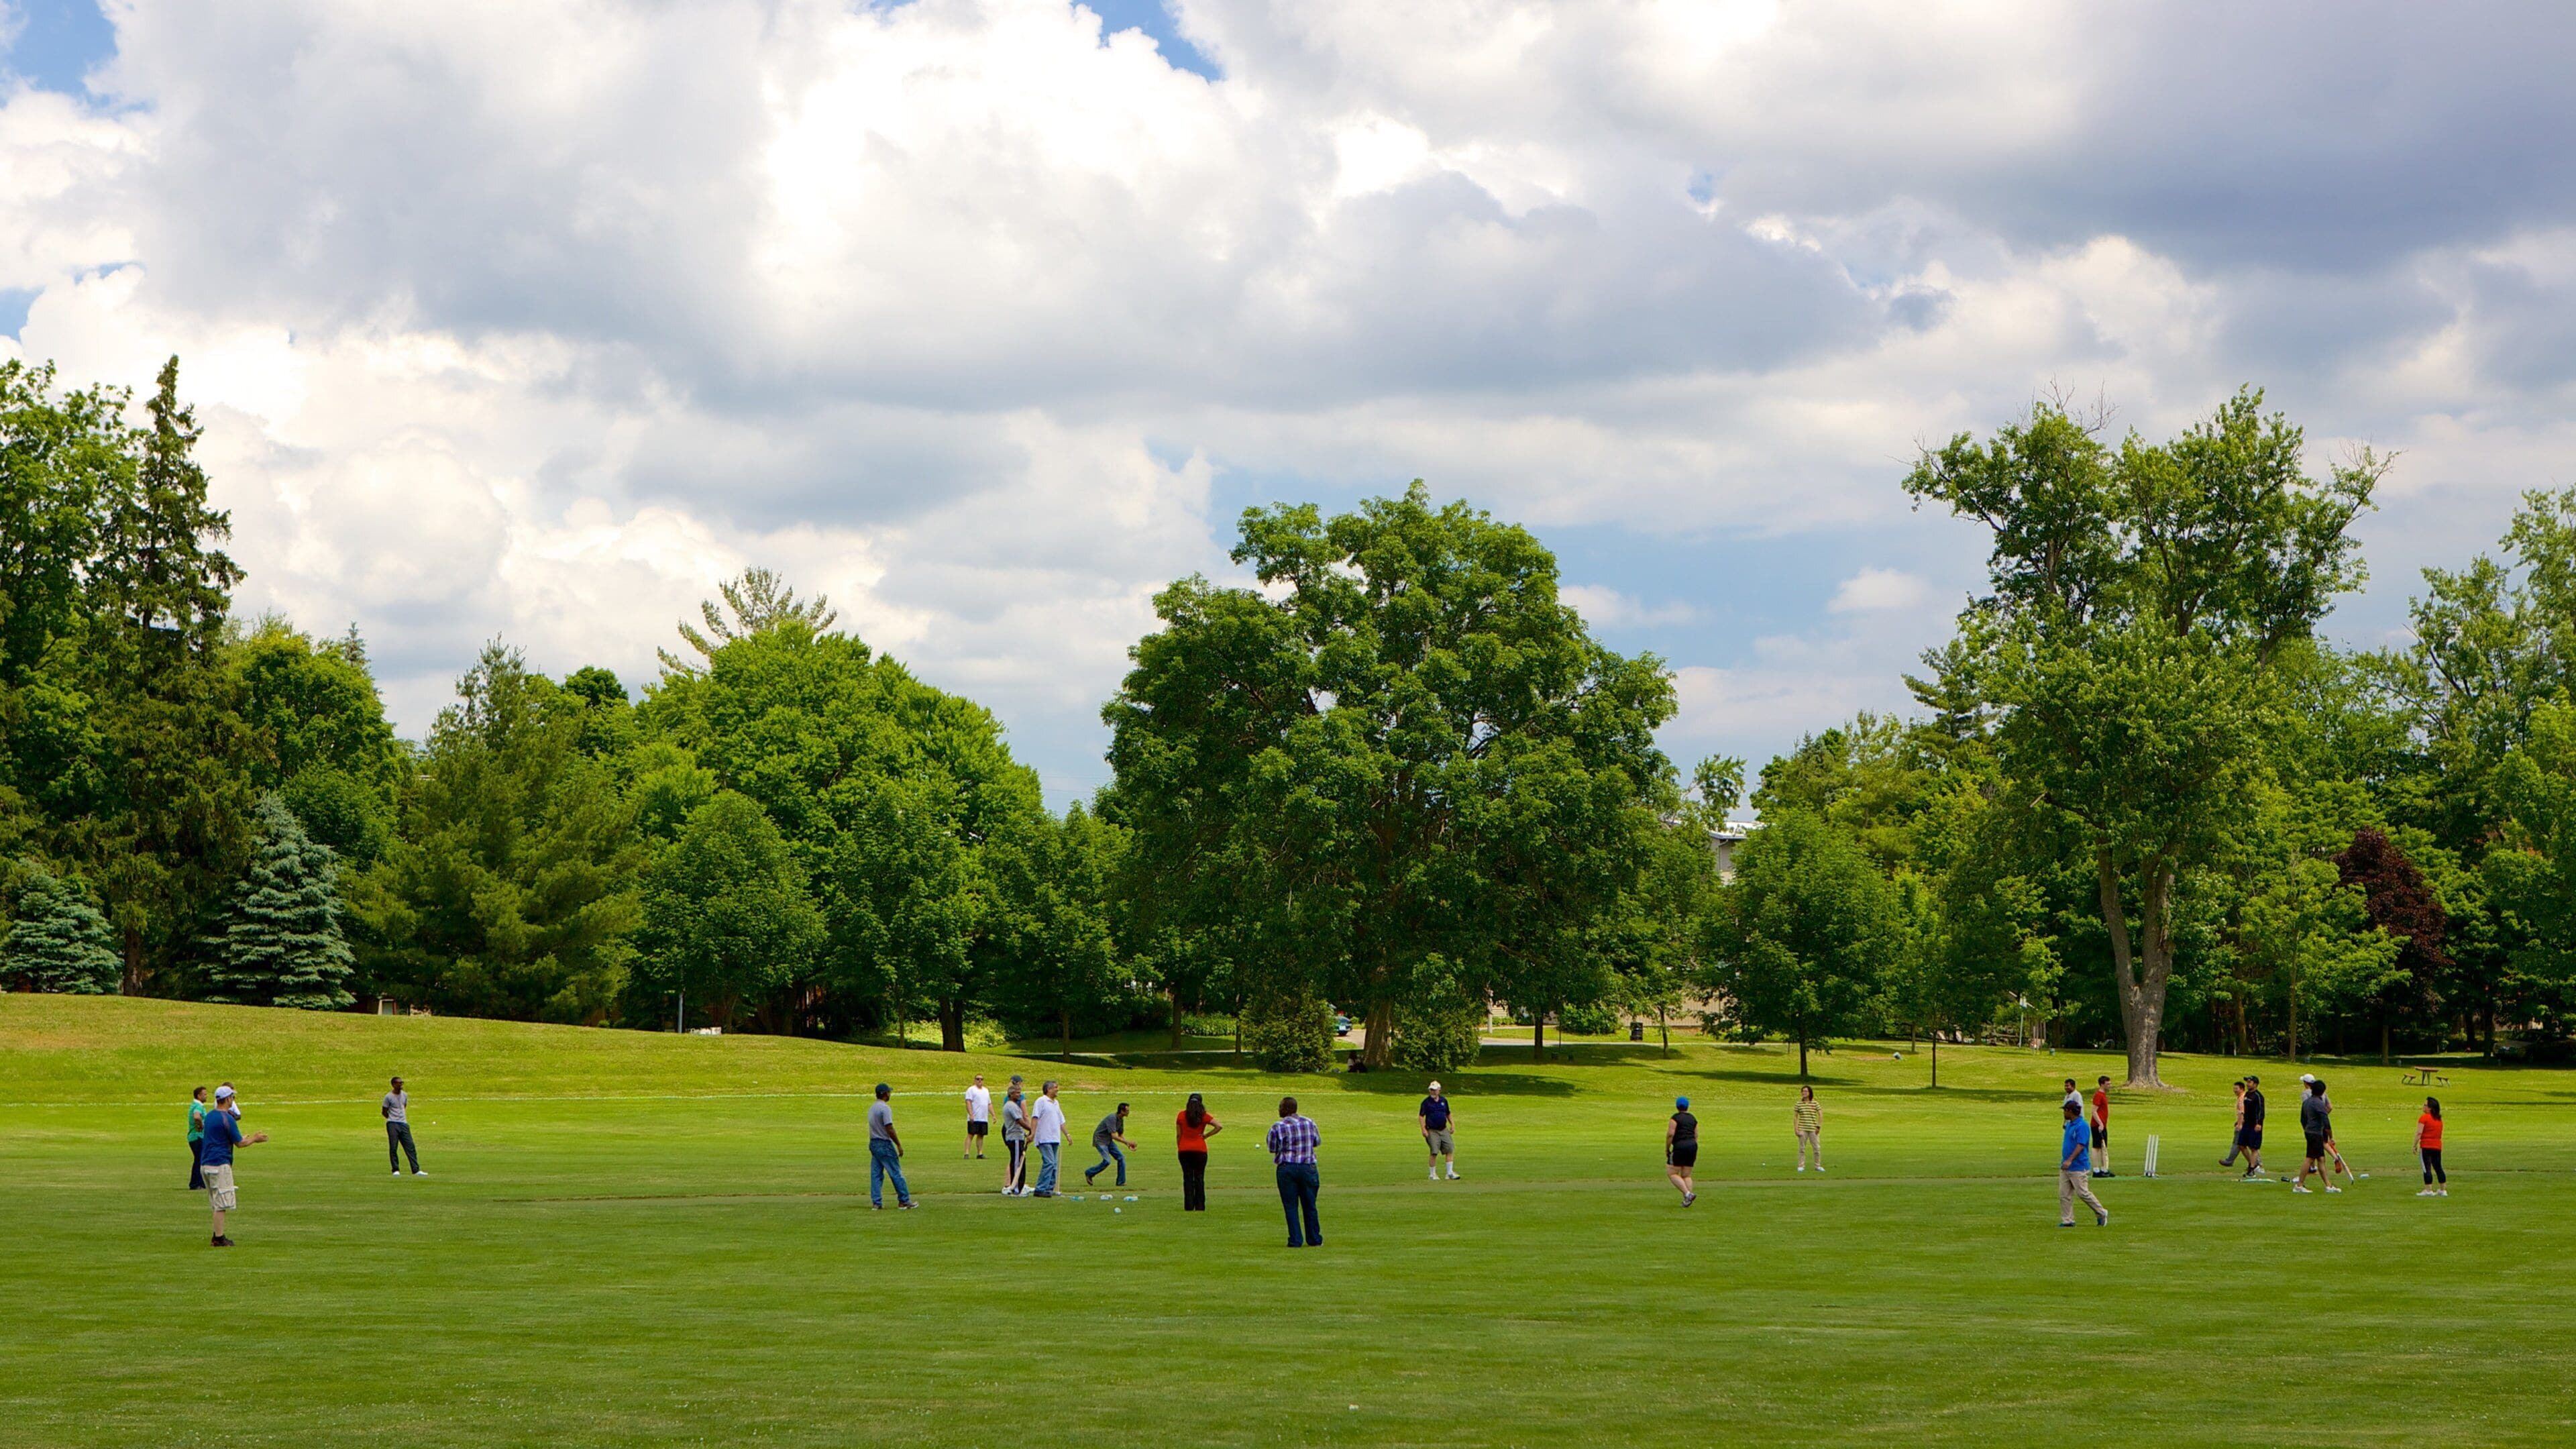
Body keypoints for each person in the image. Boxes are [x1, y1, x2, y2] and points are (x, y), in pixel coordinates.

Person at [198, 1084, 268, 1246]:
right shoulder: (227, 1118)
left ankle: (217, 1234)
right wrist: (255, 1139)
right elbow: (240, 1143)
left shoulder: (210, 1116)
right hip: (219, 1164)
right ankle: (219, 1238)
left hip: (206, 1164)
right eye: (232, 1097)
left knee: (216, 1202)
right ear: (227, 1099)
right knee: (222, 1204)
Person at [1267, 1096, 1322, 1247]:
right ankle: (1314, 1239)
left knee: (1291, 1206)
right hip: (1308, 1166)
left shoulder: (1278, 1127)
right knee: (1310, 1204)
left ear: (1285, 1109)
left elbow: (1272, 1148)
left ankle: (1296, 1240)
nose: (1278, 1110)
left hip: (1287, 1167)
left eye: (1280, 1107)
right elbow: (1317, 1142)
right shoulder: (1309, 1122)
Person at [2059, 1099, 2108, 1228]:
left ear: (2070, 1111)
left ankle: (2101, 1212)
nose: (2064, 1113)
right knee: (2064, 1195)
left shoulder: (2082, 1126)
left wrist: (2070, 1160)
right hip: (2065, 1166)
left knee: (2083, 1193)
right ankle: (2068, 1220)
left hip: (2078, 1166)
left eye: (2065, 1110)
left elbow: (2081, 1145)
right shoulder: (2070, 1124)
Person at [867, 1083, 914, 1210]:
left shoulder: (872, 1107)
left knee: (876, 1174)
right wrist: (898, 1144)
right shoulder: (885, 1108)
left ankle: (876, 1203)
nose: (890, 1094)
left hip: (874, 1143)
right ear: (885, 1094)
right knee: (896, 1172)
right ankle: (904, 1200)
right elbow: (889, 1127)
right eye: (889, 1092)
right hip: (884, 1143)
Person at [2292, 1075, 2339, 1194]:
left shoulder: (2307, 1102)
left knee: (2321, 1159)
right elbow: (2326, 1121)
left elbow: (2302, 1119)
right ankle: (2299, 1185)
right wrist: (2331, 1137)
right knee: (2310, 1159)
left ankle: (2328, 1185)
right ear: (2323, 1091)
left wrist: (2306, 1129)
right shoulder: (2318, 1103)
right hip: (2315, 1133)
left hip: (2310, 1132)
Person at [1175, 1092, 1222, 1211]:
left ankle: (1189, 1206)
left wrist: (1180, 1147)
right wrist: (1206, 1135)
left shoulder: (1181, 1115)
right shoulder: (1203, 1116)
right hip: (1200, 1150)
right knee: (1199, 1178)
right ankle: (1200, 1206)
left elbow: (1179, 1135)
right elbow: (1219, 1126)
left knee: (1188, 1178)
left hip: (1184, 1150)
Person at [1085, 1102, 1136, 1187]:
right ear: (1122, 1111)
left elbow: (1120, 1135)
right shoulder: (1112, 1118)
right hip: (1100, 1140)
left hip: (1108, 1141)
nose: (1129, 1112)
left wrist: (1128, 1145)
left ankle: (1121, 1182)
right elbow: (1114, 1136)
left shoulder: (1121, 1120)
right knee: (1107, 1161)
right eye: (1127, 1110)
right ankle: (1089, 1173)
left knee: (1121, 1158)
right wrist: (1128, 1142)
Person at [1030, 1080, 1067, 1197]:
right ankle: (1040, 1188)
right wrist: (1032, 1133)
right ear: (1049, 1089)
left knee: (1054, 1165)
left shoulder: (1056, 1103)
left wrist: (1067, 1135)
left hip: (1055, 1138)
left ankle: (1049, 1189)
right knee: (1049, 1162)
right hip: (1044, 1138)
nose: (1057, 1089)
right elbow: (1035, 1117)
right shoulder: (1041, 1101)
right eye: (1055, 1087)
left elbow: (1061, 1121)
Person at [383, 1075, 424, 1177]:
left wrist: (401, 1118)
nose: (401, 1085)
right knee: (394, 1147)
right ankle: (395, 1169)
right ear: (393, 1084)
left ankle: (416, 1169)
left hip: (404, 1124)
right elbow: (384, 1111)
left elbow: (404, 1107)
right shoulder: (388, 1097)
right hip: (392, 1123)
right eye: (399, 1083)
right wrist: (392, 1118)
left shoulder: (405, 1095)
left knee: (410, 1146)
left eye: (402, 1083)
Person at [1419, 1081, 1458, 1181]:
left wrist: (1452, 1124)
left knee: (1449, 1149)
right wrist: (1423, 1129)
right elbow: (1421, 1116)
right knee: (1434, 1152)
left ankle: (1449, 1173)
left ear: (1439, 1090)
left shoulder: (1443, 1101)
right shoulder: (1426, 1102)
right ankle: (1432, 1174)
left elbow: (1448, 1113)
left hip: (1443, 1129)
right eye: (1431, 1090)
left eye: (1434, 1090)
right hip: (1432, 1130)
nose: (1433, 1092)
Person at [1000, 1080, 1031, 1195]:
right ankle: (1016, 1188)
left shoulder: (1011, 1105)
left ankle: (1019, 1187)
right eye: (1017, 1093)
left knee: (1018, 1161)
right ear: (1011, 1094)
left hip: (1017, 1137)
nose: (1020, 1095)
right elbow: (1020, 1121)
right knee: (1018, 1163)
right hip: (1015, 1137)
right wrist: (1031, 1129)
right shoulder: (1011, 1106)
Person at [1666, 1096, 1697, 1206]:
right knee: (1686, 1175)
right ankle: (1688, 1200)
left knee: (1672, 1173)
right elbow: (1696, 1135)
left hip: (1680, 1146)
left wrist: (1667, 1148)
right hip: (1692, 1146)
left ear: (1677, 1106)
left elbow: (1670, 1134)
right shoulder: (1693, 1119)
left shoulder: (1675, 1118)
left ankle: (1687, 1194)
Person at [2416, 1096, 2447, 1197]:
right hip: (2437, 1146)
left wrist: (2415, 1144)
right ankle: (2443, 1189)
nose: (2423, 1107)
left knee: (2427, 1168)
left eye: (2425, 1105)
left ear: (2430, 1108)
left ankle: (2428, 1190)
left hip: (2426, 1146)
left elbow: (2419, 1133)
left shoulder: (2424, 1118)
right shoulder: (2439, 1119)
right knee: (2438, 1167)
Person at [2238, 1075, 2267, 1179]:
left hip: (2255, 1125)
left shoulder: (2258, 1096)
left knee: (2254, 1147)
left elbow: (2261, 1111)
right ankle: (2253, 1165)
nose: (2248, 1084)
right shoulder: (2247, 1095)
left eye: (2250, 1082)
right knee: (2241, 1145)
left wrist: (2259, 1123)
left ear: (2255, 1084)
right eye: (2247, 1082)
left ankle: (2251, 1169)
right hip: (2247, 1124)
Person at [2219, 1079, 2247, 1169]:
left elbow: (2242, 1112)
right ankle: (2257, 1163)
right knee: (2248, 1145)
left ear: (2242, 1089)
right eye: (2234, 1089)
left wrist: (2239, 1124)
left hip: (2242, 1126)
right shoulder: (2243, 1097)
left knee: (2237, 1143)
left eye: (2237, 1089)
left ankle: (2229, 1161)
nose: (2235, 1091)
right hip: (2245, 1124)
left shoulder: (2241, 1099)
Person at [1794, 1085, 1823, 1173]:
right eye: (1803, 1091)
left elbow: (1820, 1114)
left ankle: (1818, 1166)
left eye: (1806, 1091)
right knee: (1802, 1148)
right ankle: (1801, 1165)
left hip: (1813, 1129)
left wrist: (1818, 1126)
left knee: (1817, 1148)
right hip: (1803, 1128)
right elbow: (1795, 1117)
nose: (1804, 1093)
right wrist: (1796, 1129)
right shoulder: (1799, 1104)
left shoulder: (1815, 1103)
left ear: (1810, 1093)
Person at [2089, 1075, 2113, 1177]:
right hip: (2098, 1125)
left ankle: (2104, 1169)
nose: (2110, 1086)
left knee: (2104, 1147)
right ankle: (2096, 1170)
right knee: (2097, 1147)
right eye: (2108, 1084)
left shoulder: (2104, 1095)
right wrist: (2100, 1123)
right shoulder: (2098, 1095)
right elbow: (2094, 1111)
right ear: (2102, 1084)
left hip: (2103, 1125)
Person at [963, 1073, 991, 1160]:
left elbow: (989, 1103)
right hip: (974, 1117)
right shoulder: (971, 1090)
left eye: (981, 1079)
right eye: (978, 1079)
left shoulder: (986, 1091)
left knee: (981, 1135)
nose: (980, 1081)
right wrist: (971, 1114)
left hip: (983, 1118)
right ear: (975, 1080)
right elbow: (968, 1102)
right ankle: (967, 1153)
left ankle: (980, 1153)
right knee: (971, 1134)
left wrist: (993, 1115)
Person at [186, 1086, 209, 1190]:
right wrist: (200, 1125)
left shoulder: (195, 1105)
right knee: (200, 1160)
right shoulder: (198, 1106)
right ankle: (196, 1183)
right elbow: (197, 1116)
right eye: (204, 1094)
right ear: (199, 1095)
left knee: (199, 1159)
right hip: (198, 1136)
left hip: (193, 1137)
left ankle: (198, 1182)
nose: (206, 1096)